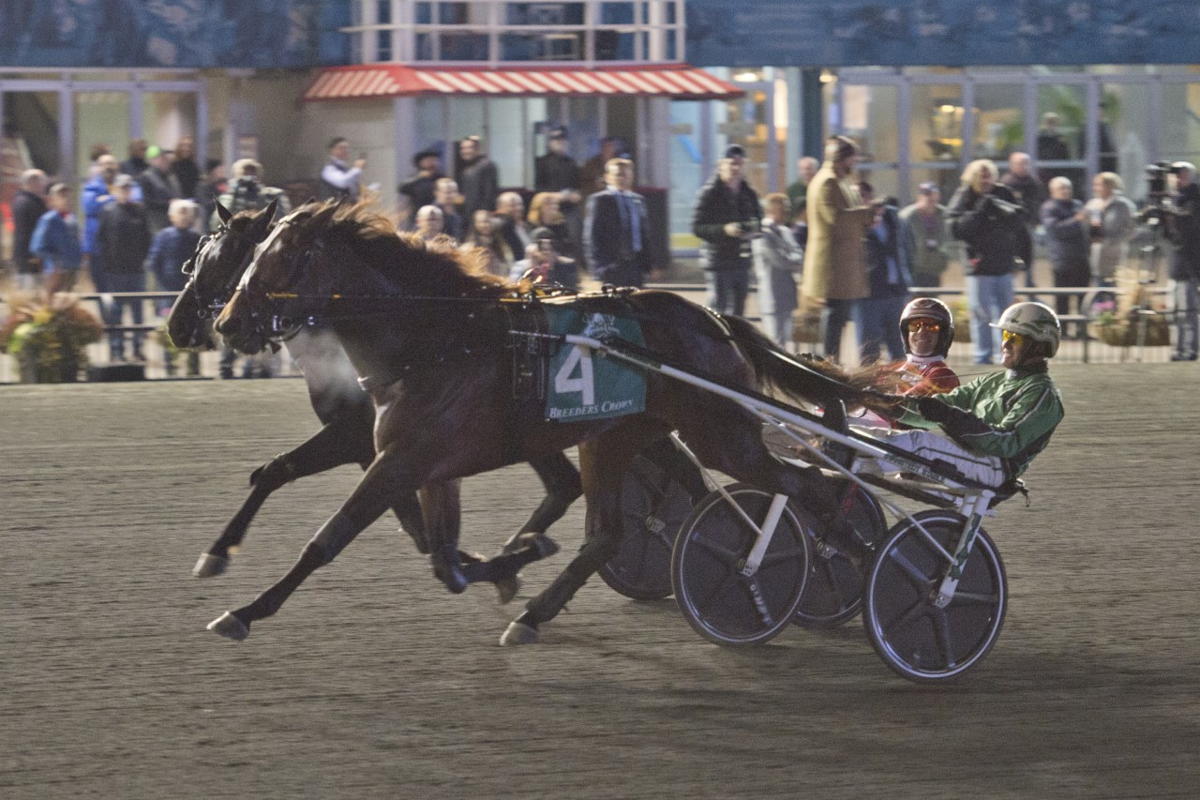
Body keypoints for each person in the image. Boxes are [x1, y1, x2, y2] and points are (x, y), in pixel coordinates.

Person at [876, 302, 1064, 491]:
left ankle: (855, 466)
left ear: (1039, 347)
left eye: (1015, 338)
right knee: (869, 436)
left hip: (994, 469)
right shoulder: (992, 380)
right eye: (1006, 335)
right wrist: (882, 403)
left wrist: (950, 417)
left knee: (918, 442)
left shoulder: (1043, 395)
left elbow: (1005, 442)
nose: (1005, 343)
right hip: (969, 458)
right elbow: (943, 404)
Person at [946, 159, 1032, 364]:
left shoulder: (1003, 193)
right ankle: (982, 357)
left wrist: (1023, 260)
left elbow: (1020, 225)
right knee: (981, 315)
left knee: (1006, 316)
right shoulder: (964, 196)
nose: (985, 180)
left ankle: (1005, 354)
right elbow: (956, 229)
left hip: (1003, 266)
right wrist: (980, 209)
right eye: (980, 176)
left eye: (988, 175)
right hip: (979, 268)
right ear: (971, 177)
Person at [802, 135, 873, 362]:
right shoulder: (827, 181)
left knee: (840, 317)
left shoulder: (840, 180)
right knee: (834, 317)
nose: (855, 163)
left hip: (844, 263)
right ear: (842, 158)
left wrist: (866, 215)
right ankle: (830, 362)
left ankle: (833, 360)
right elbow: (834, 217)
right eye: (853, 158)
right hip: (833, 264)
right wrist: (866, 212)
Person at [692, 155, 761, 315]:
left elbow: (758, 221)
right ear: (721, 165)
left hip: (741, 260)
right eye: (731, 164)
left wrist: (748, 229)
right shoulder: (709, 193)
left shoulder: (748, 193)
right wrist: (724, 230)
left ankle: (735, 340)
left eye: (739, 164)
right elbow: (698, 228)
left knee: (739, 311)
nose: (735, 168)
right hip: (718, 261)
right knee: (718, 309)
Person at [96, 174, 153, 362]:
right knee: (116, 314)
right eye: (122, 188)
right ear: (116, 190)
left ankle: (137, 349)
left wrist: (143, 260)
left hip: (136, 270)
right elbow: (101, 239)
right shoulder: (108, 211)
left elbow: (147, 238)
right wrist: (106, 266)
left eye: (128, 188)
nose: (125, 192)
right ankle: (117, 350)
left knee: (138, 313)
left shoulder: (139, 210)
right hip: (116, 271)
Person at [147, 199, 203, 376]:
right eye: (181, 212)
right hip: (168, 291)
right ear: (172, 216)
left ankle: (193, 366)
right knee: (169, 326)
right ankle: (170, 364)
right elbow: (153, 262)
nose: (185, 216)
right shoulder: (164, 236)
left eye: (187, 212)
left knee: (194, 326)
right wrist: (162, 283)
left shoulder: (196, 237)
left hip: (190, 291)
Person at [858, 182, 911, 365]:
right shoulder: (857, 224)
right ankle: (868, 382)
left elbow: (904, 245)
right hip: (871, 292)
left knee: (898, 344)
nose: (864, 201)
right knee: (870, 345)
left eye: (865, 196)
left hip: (895, 289)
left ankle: (902, 384)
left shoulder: (890, 218)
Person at [583, 157, 656, 288]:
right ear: (608, 177)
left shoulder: (638, 200)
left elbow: (644, 233)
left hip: (635, 265)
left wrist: (648, 264)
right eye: (618, 175)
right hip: (613, 264)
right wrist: (598, 267)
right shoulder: (600, 200)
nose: (622, 178)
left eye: (626, 175)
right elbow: (592, 235)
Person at [752, 193, 804, 348]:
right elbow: (780, 261)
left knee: (791, 341)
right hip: (772, 295)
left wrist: (793, 258)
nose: (787, 212)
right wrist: (793, 259)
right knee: (775, 342)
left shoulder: (785, 231)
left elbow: (798, 254)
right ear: (773, 209)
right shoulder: (761, 234)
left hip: (788, 294)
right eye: (784, 208)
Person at [1040, 176, 1091, 327]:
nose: (1065, 191)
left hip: (1081, 257)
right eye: (1061, 188)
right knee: (1062, 297)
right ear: (1052, 191)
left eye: (1068, 188)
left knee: (1083, 296)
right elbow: (1056, 230)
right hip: (1062, 259)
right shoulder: (1049, 208)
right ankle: (1063, 330)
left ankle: (1082, 331)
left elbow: (1084, 227)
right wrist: (1077, 220)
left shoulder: (1077, 205)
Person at [1165, 161, 1200, 361]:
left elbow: (1189, 228)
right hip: (1175, 265)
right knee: (1174, 312)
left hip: (1189, 265)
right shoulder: (1173, 200)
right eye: (1174, 175)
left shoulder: (1194, 198)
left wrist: (1171, 213)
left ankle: (1189, 349)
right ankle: (1177, 349)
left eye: (1182, 175)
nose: (1177, 179)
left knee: (1188, 310)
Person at [1000, 152, 1044, 291]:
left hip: (1028, 223)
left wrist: (1037, 220)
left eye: (1026, 163)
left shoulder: (1033, 182)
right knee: (1012, 253)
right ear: (1012, 165)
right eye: (1020, 163)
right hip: (1011, 226)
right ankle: (1010, 283)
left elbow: (1037, 202)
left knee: (1029, 252)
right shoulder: (1006, 183)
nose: (1023, 167)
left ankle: (1029, 281)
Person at [1084, 171, 1137, 287]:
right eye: (1095, 185)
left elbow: (1132, 228)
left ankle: (1111, 304)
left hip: (1114, 252)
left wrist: (1118, 241)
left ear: (1110, 186)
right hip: (1097, 252)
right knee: (1098, 284)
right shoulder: (1093, 204)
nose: (1096, 188)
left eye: (1099, 185)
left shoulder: (1123, 205)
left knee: (1113, 284)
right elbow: (1086, 225)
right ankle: (1102, 305)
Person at [30, 183, 83, 295]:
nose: (66, 200)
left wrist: (78, 260)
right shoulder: (48, 220)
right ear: (53, 199)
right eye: (62, 196)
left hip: (72, 268)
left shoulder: (72, 219)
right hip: (55, 272)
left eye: (68, 196)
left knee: (69, 303)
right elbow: (37, 247)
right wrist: (56, 261)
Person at [899, 182, 949, 289]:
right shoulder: (907, 216)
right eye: (926, 194)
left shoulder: (944, 215)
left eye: (933, 194)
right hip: (914, 269)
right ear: (919, 196)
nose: (930, 197)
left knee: (932, 303)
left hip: (935, 269)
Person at [213, 158, 291, 228]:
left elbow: (280, 219)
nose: (248, 178)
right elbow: (216, 223)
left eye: (252, 174)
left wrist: (261, 199)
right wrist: (234, 195)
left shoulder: (272, 195)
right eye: (245, 174)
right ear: (237, 176)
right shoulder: (228, 197)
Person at [10, 169, 47, 293]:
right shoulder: (27, 203)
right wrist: (32, 255)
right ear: (32, 182)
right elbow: (26, 232)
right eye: (41, 181)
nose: (43, 185)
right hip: (29, 257)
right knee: (30, 292)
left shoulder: (27, 201)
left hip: (27, 256)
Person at [508, 228, 577, 288]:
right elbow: (514, 286)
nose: (547, 253)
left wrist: (551, 267)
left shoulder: (566, 266)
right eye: (542, 249)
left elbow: (570, 288)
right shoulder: (521, 266)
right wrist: (532, 265)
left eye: (551, 249)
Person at [137, 145, 182, 234]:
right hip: (156, 223)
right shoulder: (146, 177)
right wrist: (167, 203)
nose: (166, 161)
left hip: (172, 221)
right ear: (152, 160)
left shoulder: (170, 177)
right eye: (162, 158)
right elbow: (147, 202)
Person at [456, 136, 499, 218]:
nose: (465, 151)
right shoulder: (466, 169)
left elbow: (489, 194)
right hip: (469, 215)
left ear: (477, 149)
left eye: (469, 148)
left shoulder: (487, 166)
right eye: (463, 148)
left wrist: (484, 213)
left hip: (481, 216)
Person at [462, 208, 513, 277]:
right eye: (482, 222)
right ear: (475, 224)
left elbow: (508, 264)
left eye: (488, 221)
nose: (485, 225)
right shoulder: (467, 248)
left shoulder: (501, 245)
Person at [398, 149, 443, 225]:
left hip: (437, 216)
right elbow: (402, 188)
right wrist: (419, 177)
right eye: (429, 160)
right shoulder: (416, 178)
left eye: (434, 160)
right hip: (418, 216)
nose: (432, 163)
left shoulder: (440, 177)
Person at [527, 191, 576, 259]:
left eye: (555, 203)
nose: (554, 206)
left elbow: (569, 248)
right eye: (548, 204)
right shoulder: (531, 226)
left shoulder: (561, 226)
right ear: (539, 206)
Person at [534, 127, 580, 194]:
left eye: (563, 138)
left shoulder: (571, 163)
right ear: (549, 142)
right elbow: (538, 188)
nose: (560, 141)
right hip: (548, 202)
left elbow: (576, 187)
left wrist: (575, 195)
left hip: (568, 203)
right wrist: (557, 196)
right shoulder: (541, 163)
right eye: (555, 138)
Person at [319, 137, 365, 201]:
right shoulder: (328, 169)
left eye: (346, 148)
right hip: (334, 209)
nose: (345, 151)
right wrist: (356, 168)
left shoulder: (345, 169)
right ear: (332, 150)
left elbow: (352, 189)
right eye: (341, 148)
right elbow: (343, 183)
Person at [495, 191, 532, 260]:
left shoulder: (525, 226)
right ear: (500, 208)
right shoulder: (500, 225)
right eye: (512, 205)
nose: (518, 208)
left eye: (520, 204)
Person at [196, 159, 227, 232]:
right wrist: (222, 200)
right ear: (212, 171)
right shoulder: (203, 186)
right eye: (220, 170)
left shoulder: (223, 183)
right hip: (209, 222)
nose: (222, 172)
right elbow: (206, 203)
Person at [785, 155, 820, 220]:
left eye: (808, 169)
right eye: (801, 169)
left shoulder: (822, 188)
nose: (805, 172)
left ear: (816, 170)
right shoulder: (793, 189)